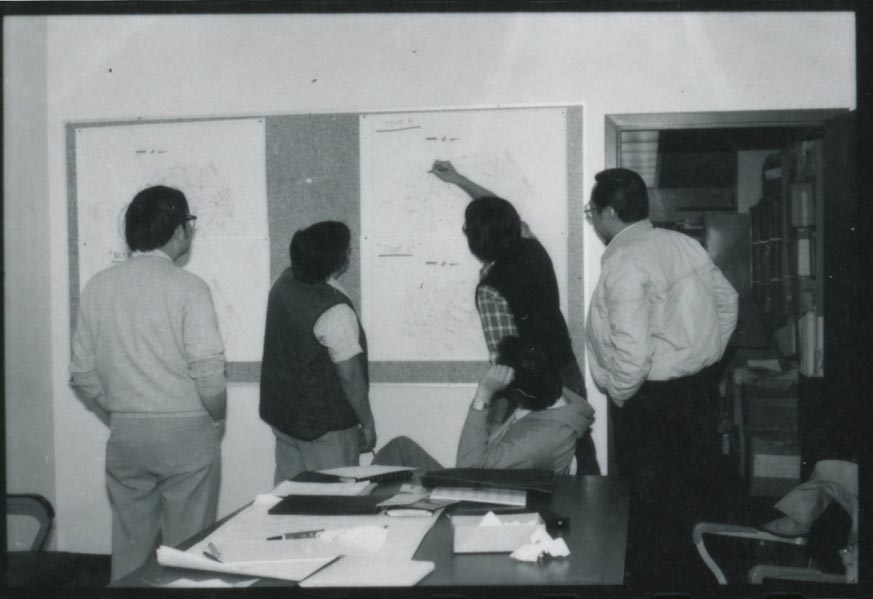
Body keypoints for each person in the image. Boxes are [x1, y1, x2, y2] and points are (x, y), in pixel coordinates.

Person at [584, 167, 738, 588]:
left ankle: (657, 585)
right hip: (696, 393)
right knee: (689, 501)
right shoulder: (682, 244)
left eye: (592, 212)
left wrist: (621, 395)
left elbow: (632, 354)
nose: (593, 221)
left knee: (650, 513)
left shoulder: (625, 260)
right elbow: (728, 301)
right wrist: (707, 354)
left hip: (649, 402)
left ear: (610, 212)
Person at [70, 186, 226, 581]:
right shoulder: (190, 288)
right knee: (187, 553)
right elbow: (208, 370)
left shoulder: (97, 286)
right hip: (187, 433)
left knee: (130, 550)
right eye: (189, 222)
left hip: (126, 435)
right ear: (178, 230)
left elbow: (82, 372)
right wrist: (216, 416)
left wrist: (120, 410)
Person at [429, 160, 599, 474]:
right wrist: (459, 179)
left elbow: (505, 360)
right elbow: (501, 212)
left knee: (507, 473)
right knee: (582, 456)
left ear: (474, 241)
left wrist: (496, 418)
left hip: (529, 388)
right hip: (566, 371)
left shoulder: (490, 289)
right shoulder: (532, 247)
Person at [259, 221, 376, 484]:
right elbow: (350, 377)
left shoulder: (284, 280)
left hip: (286, 420)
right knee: (336, 501)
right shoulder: (334, 311)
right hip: (327, 430)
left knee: (289, 498)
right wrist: (367, 423)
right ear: (341, 261)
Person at [373, 337, 594, 474]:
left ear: (519, 392)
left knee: (395, 462)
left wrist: (484, 393)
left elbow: (467, 468)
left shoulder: (542, 439)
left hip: (481, 498)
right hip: (486, 479)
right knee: (400, 448)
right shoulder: (551, 396)